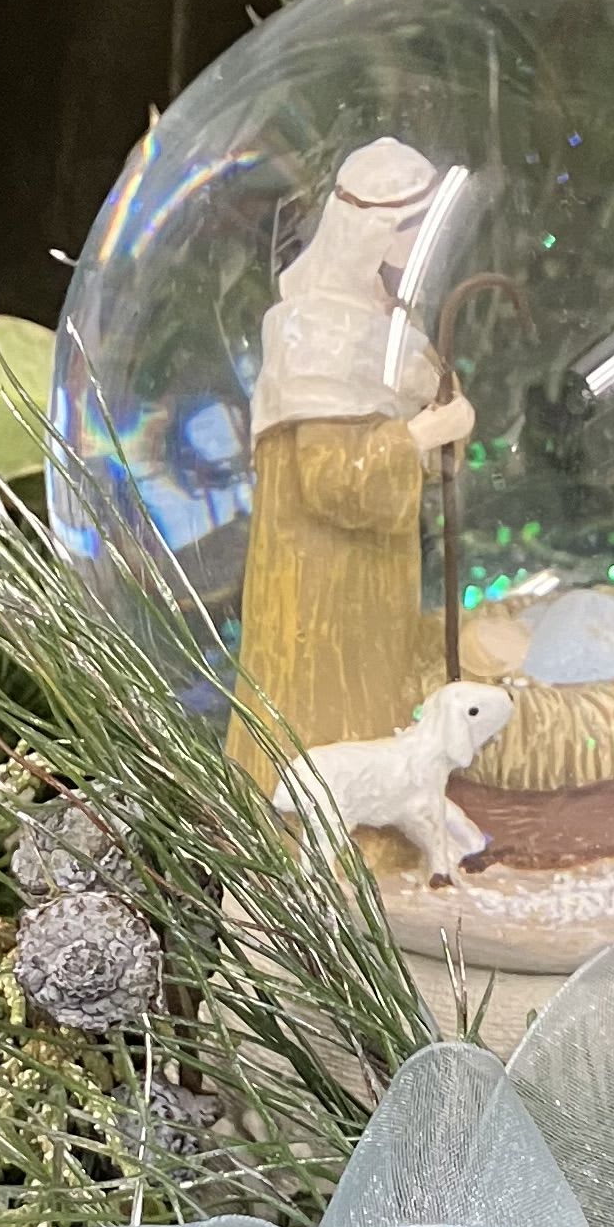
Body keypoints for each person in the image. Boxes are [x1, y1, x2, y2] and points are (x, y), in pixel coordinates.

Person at [227, 137, 471, 775]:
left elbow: (424, 429)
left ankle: (379, 817)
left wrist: (441, 419)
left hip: (372, 579)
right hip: (320, 585)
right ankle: (315, 841)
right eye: (414, 230)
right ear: (378, 232)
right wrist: (422, 434)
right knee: (325, 711)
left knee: (373, 696)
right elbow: (333, 481)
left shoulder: (384, 320)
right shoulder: (318, 332)